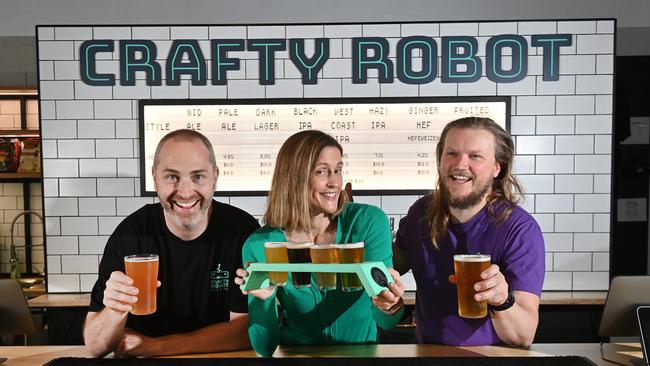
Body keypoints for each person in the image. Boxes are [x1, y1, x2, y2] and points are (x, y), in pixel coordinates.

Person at [83, 129, 260, 357]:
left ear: (215, 177)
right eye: (172, 177)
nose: (185, 192)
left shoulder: (242, 232)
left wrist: (156, 346)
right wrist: (115, 309)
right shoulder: (131, 234)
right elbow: (95, 346)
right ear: (155, 177)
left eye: (198, 176)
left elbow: (245, 331)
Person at [235, 130, 405, 357]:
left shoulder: (368, 222)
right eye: (322, 171)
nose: (335, 182)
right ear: (293, 178)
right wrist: (264, 300)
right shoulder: (260, 244)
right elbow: (264, 347)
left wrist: (389, 305)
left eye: (338, 170)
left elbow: (387, 321)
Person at [394, 116, 545, 347]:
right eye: (452, 153)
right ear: (440, 160)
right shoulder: (420, 213)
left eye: (475, 156)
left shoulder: (520, 229)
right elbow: (391, 266)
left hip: (490, 360)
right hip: (428, 357)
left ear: (497, 167)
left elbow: (523, 336)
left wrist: (502, 300)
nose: (460, 164)